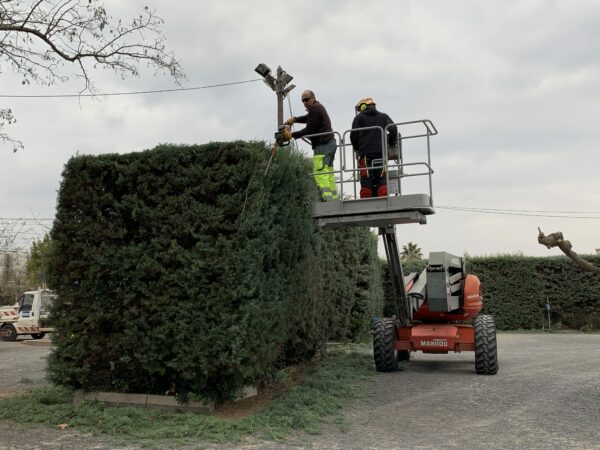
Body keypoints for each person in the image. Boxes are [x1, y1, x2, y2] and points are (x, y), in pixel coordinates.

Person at [282, 90, 338, 202]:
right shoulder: (318, 107)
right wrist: (295, 119)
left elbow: (309, 129)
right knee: (328, 175)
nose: (304, 102)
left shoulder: (315, 108)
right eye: (302, 101)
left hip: (322, 145)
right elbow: (309, 118)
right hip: (330, 144)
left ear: (313, 98)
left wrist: (292, 135)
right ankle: (334, 200)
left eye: (306, 99)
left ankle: (327, 201)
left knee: (320, 174)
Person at [350, 98, 397, 198]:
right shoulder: (384, 116)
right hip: (381, 153)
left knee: (366, 178)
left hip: (365, 154)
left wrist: (357, 148)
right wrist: (392, 143)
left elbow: (353, 136)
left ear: (363, 106)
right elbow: (393, 129)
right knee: (381, 177)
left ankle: (366, 202)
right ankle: (383, 199)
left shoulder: (358, 118)